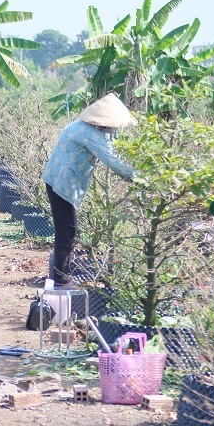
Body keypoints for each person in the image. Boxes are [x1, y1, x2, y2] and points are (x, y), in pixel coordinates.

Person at [41, 94, 137, 288]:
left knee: (66, 231)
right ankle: (61, 280)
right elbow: (112, 161)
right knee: (67, 232)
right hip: (62, 184)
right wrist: (139, 179)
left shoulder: (81, 126)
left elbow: (110, 146)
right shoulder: (89, 134)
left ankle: (61, 277)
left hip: (57, 181)